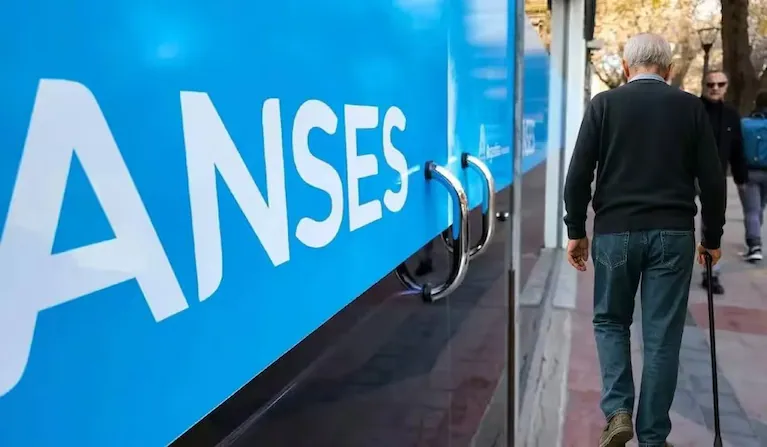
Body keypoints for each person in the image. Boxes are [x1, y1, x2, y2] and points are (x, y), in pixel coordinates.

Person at [563, 33, 726, 447]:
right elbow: (712, 179)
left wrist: (576, 230)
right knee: (662, 337)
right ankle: (653, 437)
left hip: (615, 232)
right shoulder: (690, 108)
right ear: (669, 71)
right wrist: (712, 237)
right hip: (674, 234)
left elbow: (578, 174)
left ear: (625, 68)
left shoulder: (604, 105)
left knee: (610, 321)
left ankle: (618, 411)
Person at [699, 70, 749, 292]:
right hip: (688, 175)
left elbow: (737, 148)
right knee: (678, 221)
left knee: (713, 226)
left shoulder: (731, 114)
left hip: (716, 177)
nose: (715, 88)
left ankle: (711, 272)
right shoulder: (693, 109)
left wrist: (740, 177)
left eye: (720, 84)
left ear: (726, 86)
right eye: (711, 84)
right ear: (704, 85)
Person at [738, 90, 767, 262]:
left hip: (750, 172)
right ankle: (755, 239)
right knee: (760, 207)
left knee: (751, 210)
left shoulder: (745, 124)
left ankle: (754, 245)